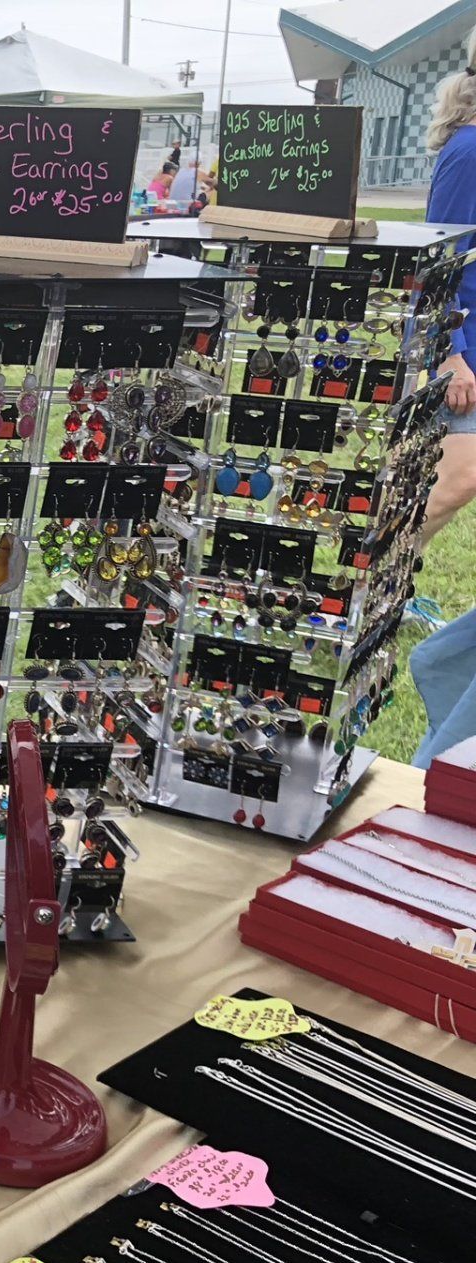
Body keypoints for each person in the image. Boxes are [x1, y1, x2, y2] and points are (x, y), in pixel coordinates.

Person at [408, 35, 476, 766]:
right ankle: (373, 581)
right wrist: (452, 349)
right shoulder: (468, 150)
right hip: (464, 351)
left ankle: (390, 586)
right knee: (458, 480)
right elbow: (440, 256)